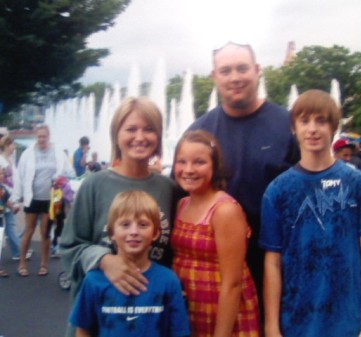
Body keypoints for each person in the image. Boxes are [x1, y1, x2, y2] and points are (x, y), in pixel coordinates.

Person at [260, 89, 361, 337]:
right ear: (294, 128)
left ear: (334, 128)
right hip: (295, 322)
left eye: (321, 121)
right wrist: (272, 326)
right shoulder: (277, 191)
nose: (312, 129)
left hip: (348, 322)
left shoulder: (358, 184)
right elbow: (272, 263)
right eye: (304, 121)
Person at [188, 42, 299, 307]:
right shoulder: (199, 133)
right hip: (213, 275)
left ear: (257, 71)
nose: (235, 77)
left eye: (242, 68)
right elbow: (180, 200)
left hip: (279, 270)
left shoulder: (289, 127)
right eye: (225, 71)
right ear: (215, 76)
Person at [60, 97, 181, 337]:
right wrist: (105, 260)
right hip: (100, 319)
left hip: (151, 319)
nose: (140, 137)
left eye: (149, 129)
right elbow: (70, 246)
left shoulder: (170, 190)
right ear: (116, 135)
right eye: (131, 129)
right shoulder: (94, 185)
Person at [171, 130, 260, 336]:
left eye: (199, 162)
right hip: (189, 309)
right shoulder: (181, 204)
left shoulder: (225, 210)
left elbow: (233, 282)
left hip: (223, 314)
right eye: (181, 162)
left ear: (215, 166)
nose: (188, 169)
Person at [69, 190, 190, 337]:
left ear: (156, 233)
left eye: (143, 225)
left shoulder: (168, 280)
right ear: (112, 232)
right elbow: (83, 330)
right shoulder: (94, 280)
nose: (134, 231)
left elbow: (179, 332)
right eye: (125, 224)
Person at [14, 124, 74, 277]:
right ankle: (22, 262)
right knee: (29, 230)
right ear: (36, 137)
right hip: (33, 198)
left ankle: (44, 264)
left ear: (49, 137)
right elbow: (20, 176)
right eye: (39, 136)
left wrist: (62, 181)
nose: (41, 139)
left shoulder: (58, 153)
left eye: (44, 136)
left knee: (46, 232)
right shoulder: (28, 153)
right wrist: (17, 197)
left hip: (51, 200)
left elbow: (69, 172)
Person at [0, 135, 23, 261]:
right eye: (13, 144)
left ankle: (18, 250)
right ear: (7, 146)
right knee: (9, 226)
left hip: (9, 196)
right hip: (4, 197)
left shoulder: (9, 160)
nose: (14, 147)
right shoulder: (1, 161)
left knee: (10, 226)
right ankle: (18, 251)